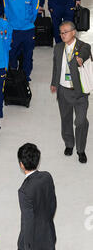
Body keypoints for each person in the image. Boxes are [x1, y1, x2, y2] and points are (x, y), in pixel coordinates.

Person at [0, 143, 68, 250]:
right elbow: (53, 203)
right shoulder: (47, 177)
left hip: (30, 240)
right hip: (48, 235)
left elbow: (27, 220)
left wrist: (28, 247)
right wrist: (46, 222)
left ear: (21, 164)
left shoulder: (24, 191)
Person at [50, 21, 91, 163]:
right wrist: (54, 83)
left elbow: (85, 54)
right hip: (63, 91)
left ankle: (81, 150)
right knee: (65, 119)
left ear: (73, 32)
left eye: (65, 32)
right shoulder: (58, 48)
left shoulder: (84, 46)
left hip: (79, 92)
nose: (62, 35)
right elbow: (56, 67)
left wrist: (80, 58)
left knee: (80, 121)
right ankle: (69, 144)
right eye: (61, 32)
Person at [4, 0, 39, 81]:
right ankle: (13, 75)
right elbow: (6, 8)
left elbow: (35, 9)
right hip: (13, 30)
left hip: (28, 30)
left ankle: (25, 76)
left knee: (28, 55)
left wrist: (28, 22)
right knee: (12, 54)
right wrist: (10, 23)